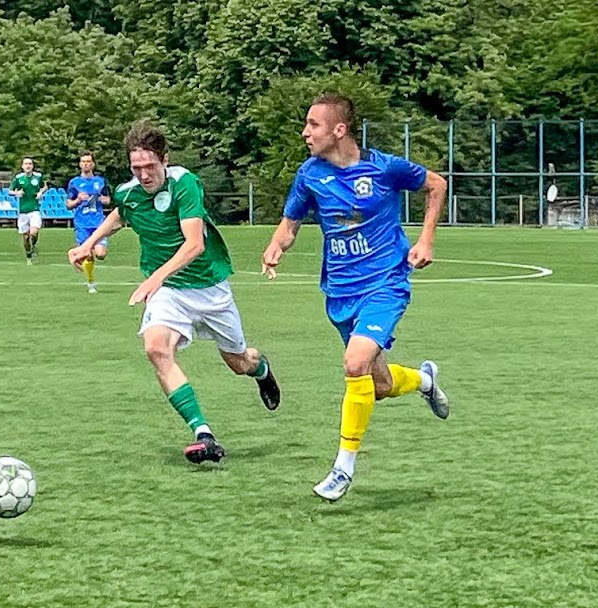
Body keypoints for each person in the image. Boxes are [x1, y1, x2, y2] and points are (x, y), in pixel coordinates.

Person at [261, 93, 451, 502]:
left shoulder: (384, 168)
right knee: (377, 384)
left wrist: (426, 240)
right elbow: (289, 225)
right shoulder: (309, 175)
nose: (305, 132)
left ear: (339, 130)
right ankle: (424, 379)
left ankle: (343, 467)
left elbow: (436, 184)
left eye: (313, 125)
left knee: (354, 363)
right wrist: (277, 246)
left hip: (385, 284)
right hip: (339, 293)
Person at [68, 121, 281, 464]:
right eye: (136, 168)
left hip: (209, 288)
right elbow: (122, 214)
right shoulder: (128, 190)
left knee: (238, 362)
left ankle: (262, 370)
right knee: (155, 349)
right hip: (169, 291)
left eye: (150, 166)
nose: (143, 175)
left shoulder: (185, 185)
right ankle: (204, 434)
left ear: (165, 160)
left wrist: (154, 279)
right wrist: (89, 244)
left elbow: (195, 245)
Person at [66, 151, 111, 293]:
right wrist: (78, 200)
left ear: (93, 164)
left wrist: (103, 200)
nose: (86, 164)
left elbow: (108, 199)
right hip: (82, 223)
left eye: (88, 161)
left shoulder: (101, 181)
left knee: (101, 254)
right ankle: (91, 282)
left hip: (98, 223)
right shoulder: (74, 183)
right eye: (83, 161)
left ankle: (88, 266)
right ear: (80, 164)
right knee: (88, 254)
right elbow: (68, 204)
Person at [8, 157, 48, 265]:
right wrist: (17, 193)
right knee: (25, 237)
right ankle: (28, 254)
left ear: (32, 166)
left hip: (34, 209)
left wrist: (41, 192)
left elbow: (45, 187)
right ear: (22, 166)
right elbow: (10, 191)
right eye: (26, 164)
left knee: (34, 232)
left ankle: (34, 245)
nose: (28, 166)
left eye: (30, 163)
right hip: (23, 211)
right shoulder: (19, 178)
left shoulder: (38, 177)